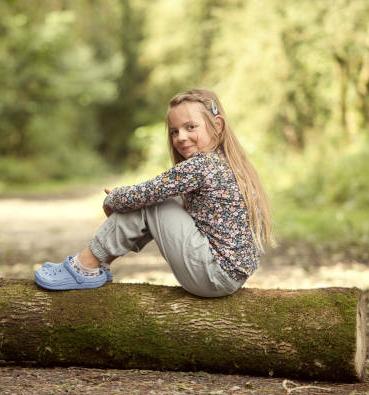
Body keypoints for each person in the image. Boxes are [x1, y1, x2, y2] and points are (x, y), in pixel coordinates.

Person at [34, 88, 274, 297]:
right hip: (226, 275)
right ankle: (98, 264)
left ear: (217, 125)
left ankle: (85, 266)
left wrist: (113, 199)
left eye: (191, 127)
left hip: (214, 274)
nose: (181, 137)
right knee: (161, 200)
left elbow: (146, 193)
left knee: (154, 202)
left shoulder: (202, 165)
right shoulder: (225, 163)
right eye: (174, 131)